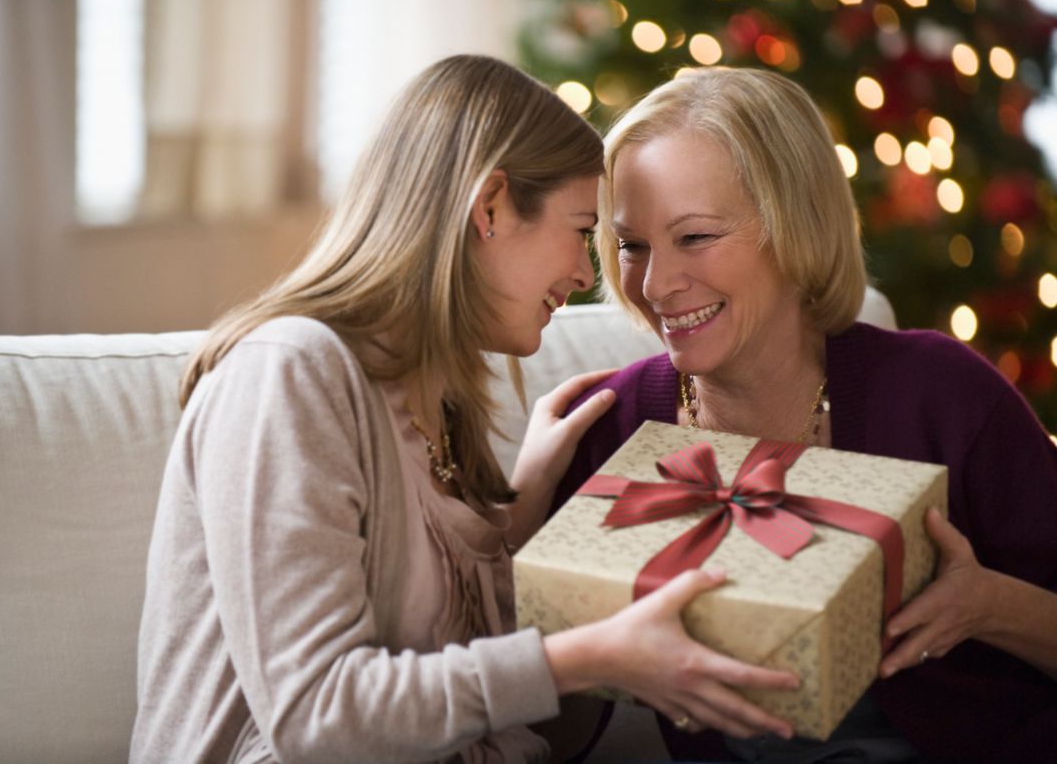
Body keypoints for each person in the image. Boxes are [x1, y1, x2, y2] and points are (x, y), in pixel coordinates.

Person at [129, 55, 800, 764]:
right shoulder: (290, 373)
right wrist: (581, 655)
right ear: (491, 207)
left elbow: (486, 706)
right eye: (580, 230)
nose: (584, 272)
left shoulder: (438, 404)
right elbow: (319, 718)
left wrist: (515, 516)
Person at [532, 66, 1057, 762]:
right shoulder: (612, 426)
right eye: (632, 245)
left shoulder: (943, 394)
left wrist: (986, 604)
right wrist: (522, 512)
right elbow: (554, 740)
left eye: (694, 238)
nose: (655, 285)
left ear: (794, 226)